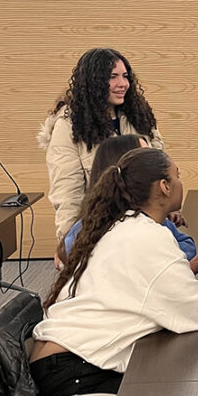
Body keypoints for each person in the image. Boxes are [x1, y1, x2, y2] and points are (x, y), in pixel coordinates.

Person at [30, 147, 198, 396]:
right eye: (177, 176)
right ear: (164, 187)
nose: (181, 182)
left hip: (55, 373)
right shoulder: (147, 235)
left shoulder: (116, 224)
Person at [37, 48, 164, 256]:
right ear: (93, 82)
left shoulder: (138, 115)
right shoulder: (68, 126)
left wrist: (168, 207)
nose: (122, 84)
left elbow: (160, 166)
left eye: (125, 76)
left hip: (145, 220)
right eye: (113, 77)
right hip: (101, 228)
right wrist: (70, 244)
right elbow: (67, 191)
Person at [63, 134, 198, 271]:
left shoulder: (152, 216)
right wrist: (177, 265)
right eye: (145, 156)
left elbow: (186, 244)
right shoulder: (86, 231)